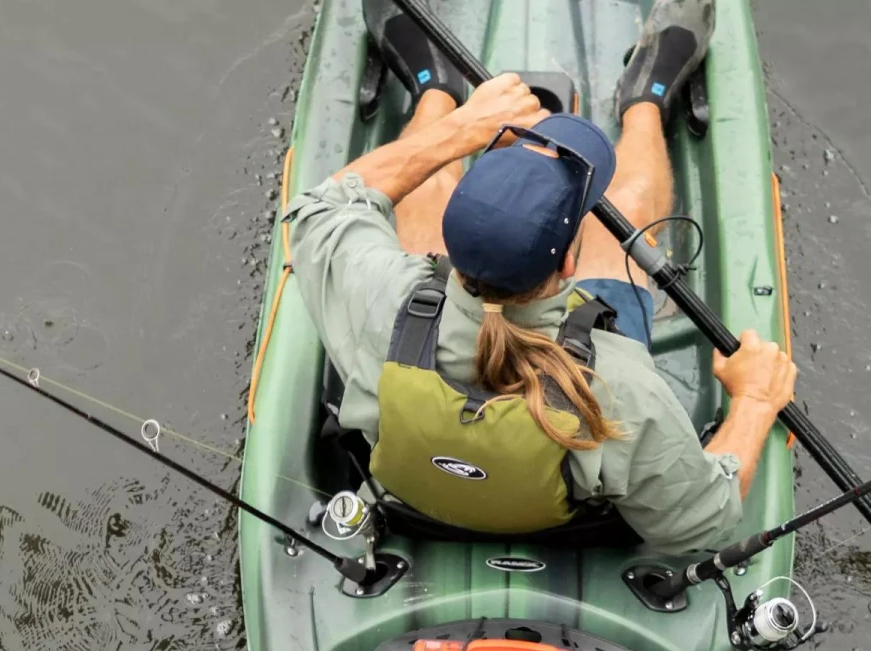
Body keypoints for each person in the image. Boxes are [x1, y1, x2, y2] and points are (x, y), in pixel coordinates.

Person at [283, 0, 798, 550]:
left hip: (412, 502)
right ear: (570, 263)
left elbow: (324, 207)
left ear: (447, 247)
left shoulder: (378, 296)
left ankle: (438, 92)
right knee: (627, 204)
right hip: (559, 517)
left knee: (425, 184)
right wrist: (753, 402)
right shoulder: (620, 385)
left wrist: (461, 132)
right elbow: (700, 521)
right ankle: (643, 105)